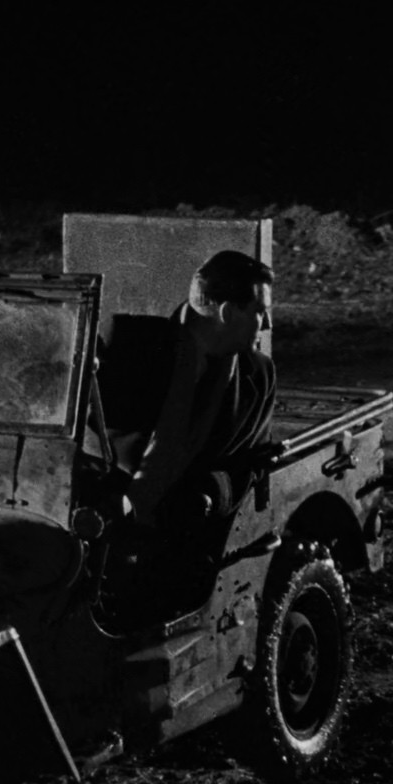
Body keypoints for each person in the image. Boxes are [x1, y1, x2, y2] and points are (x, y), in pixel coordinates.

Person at [91, 250, 278, 617]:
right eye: (260, 311)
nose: (267, 323)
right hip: (98, 540)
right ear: (227, 312)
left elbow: (255, 462)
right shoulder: (125, 344)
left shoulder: (259, 376)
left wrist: (209, 493)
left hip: (185, 556)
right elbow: (72, 433)